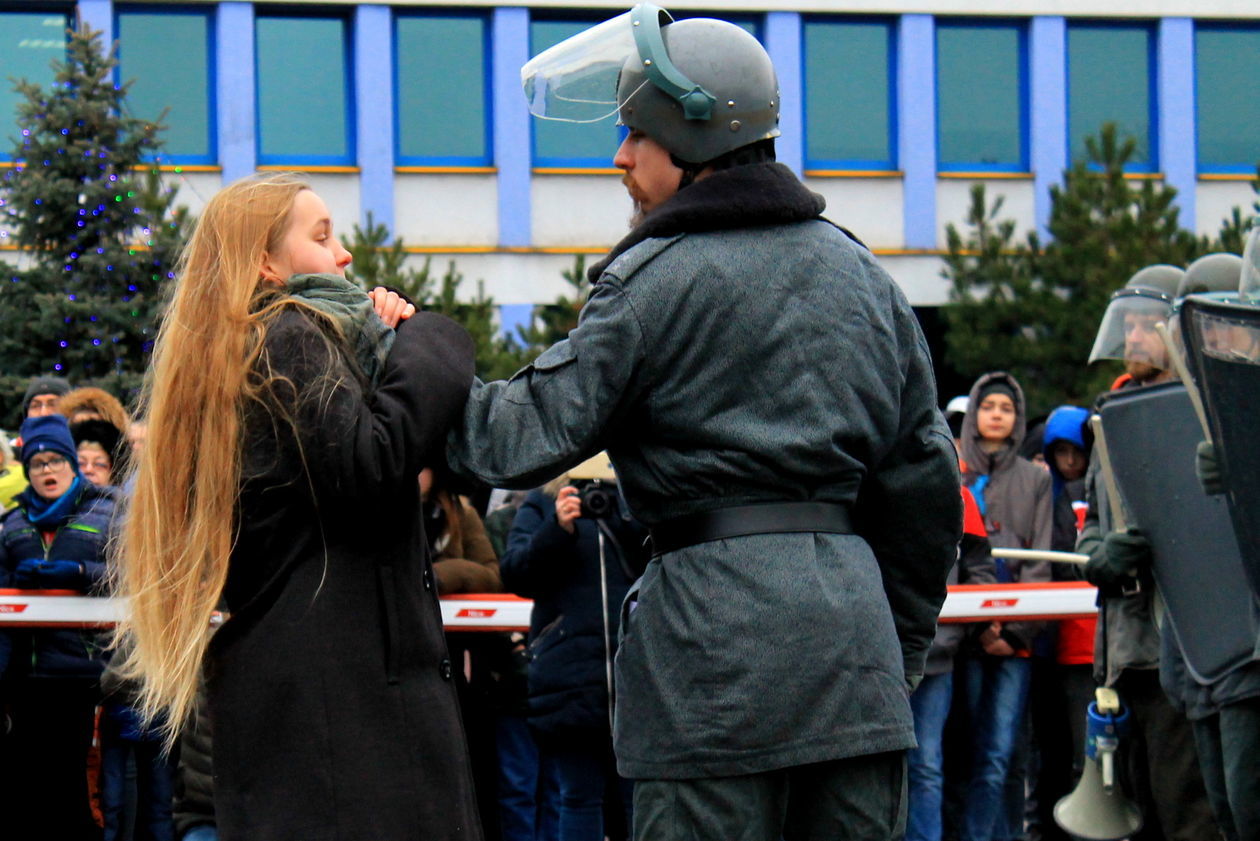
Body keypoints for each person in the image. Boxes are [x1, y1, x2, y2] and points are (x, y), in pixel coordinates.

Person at [448, 9, 961, 840]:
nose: (619, 159)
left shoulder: (651, 281)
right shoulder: (864, 275)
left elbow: (512, 438)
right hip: (856, 669)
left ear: (688, 142)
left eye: (633, 135)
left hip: (710, 673)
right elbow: (925, 491)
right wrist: (889, 654)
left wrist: (407, 354)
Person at [110, 172, 481, 841]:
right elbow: (374, 462)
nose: (344, 254)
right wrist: (428, 338)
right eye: (322, 235)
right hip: (343, 717)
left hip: (307, 706)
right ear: (264, 263)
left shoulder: (239, 357)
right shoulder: (287, 333)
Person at [1078, 264, 1217, 840]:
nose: (1131, 338)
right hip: (1124, 656)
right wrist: (1100, 558)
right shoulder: (1109, 421)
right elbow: (1087, 536)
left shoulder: (1200, 412)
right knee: (1133, 822)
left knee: (1189, 814)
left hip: (1186, 651)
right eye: (1127, 326)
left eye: (1145, 325)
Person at [502, 457, 649, 841]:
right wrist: (557, 529)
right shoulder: (542, 502)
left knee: (641, 798)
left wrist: (628, 516)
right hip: (570, 673)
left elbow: (660, 561)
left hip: (635, 672)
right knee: (578, 797)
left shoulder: (639, 499)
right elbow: (515, 572)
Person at [0, 414, 120, 839]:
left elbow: (132, 576)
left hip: (84, 675)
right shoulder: (13, 524)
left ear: (70, 462)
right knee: (30, 796)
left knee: (77, 794)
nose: (46, 470)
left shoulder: (109, 509)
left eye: (54, 460)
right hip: (26, 678)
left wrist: (78, 571)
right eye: (36, 463)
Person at [956, 372, 1053, 841]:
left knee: (1001, 754)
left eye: (1007, 407)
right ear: (975, 412)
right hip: (963, 636)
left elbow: (1040, 560)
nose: (997, 414)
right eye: (989, 405)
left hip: (1015, 640)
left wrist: (1012, 631)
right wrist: (977, 628)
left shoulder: (1035, 479)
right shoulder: (951, 468)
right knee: (964, 752)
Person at [906, 485, 995, 841]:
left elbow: (979, 565)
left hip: (936, 655)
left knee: (926, 766)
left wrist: (967, 630)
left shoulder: (960, 497)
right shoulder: (871, 481)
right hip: (882, 656)